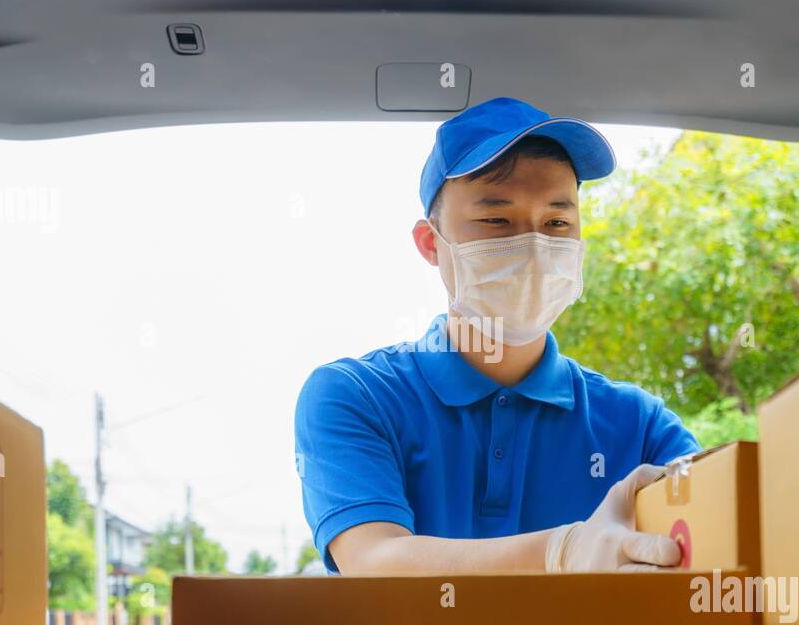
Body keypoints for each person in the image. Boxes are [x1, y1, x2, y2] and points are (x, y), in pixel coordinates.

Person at [294, 96, 699, 575]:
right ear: (431, 244)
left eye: (557, 222)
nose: (534, 244)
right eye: (496, 220)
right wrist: (563, 551)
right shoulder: (356, 397)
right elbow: (377, 560)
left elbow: (722, 533)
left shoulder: (639, 425)